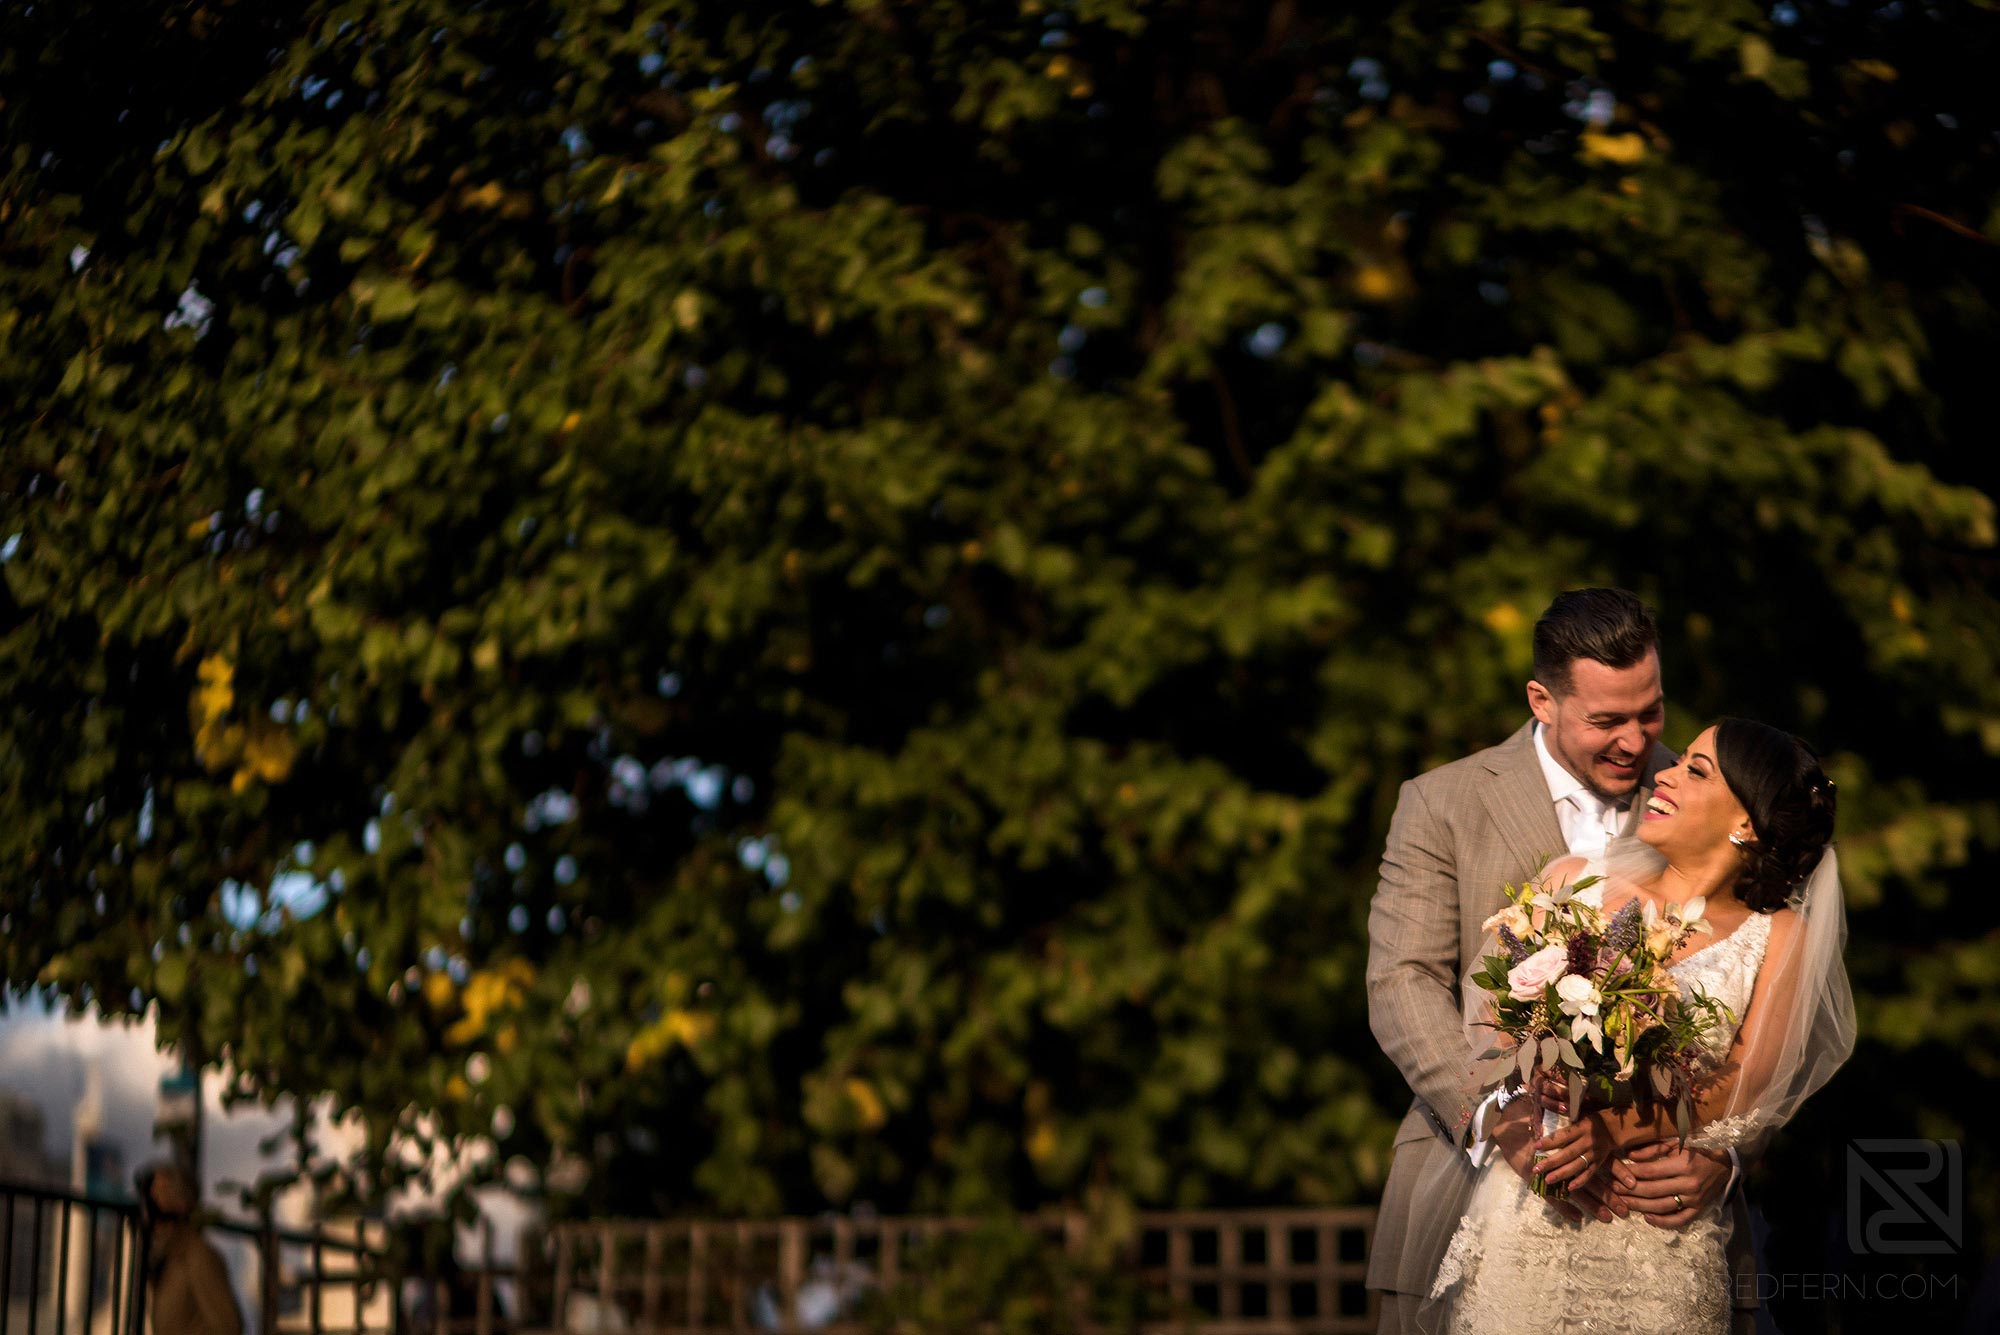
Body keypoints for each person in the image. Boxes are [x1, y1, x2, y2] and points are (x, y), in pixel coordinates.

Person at [1365, 589, 1754, 1332]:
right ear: (1542, 700)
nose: (1636, 742)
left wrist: (1726, 1154)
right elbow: (1400, 979)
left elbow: (1765, 999)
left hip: (1666, 1220)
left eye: (1651, 712)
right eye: (1606, 719)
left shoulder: (1712, 798)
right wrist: (1494, 1115)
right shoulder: (1440, 800)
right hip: (1472, 1184)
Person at [1419, 718, 1853, 1333]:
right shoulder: (1572, 882)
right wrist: (1542, 1085)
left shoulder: (1779, 939)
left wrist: (1610, 1128)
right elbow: (1494, 1031)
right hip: (1538, 1207)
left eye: (1696, 770)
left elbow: (1740, 1088)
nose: (1666, 773)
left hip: (1656, 1234)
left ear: (1746, 824)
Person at [137, 1160, 243, 1335]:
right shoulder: (170, 1257)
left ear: (181, 1203)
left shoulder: (197, 1256)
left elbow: (229, 1327)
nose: (152, 1201)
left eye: (161, 1192)